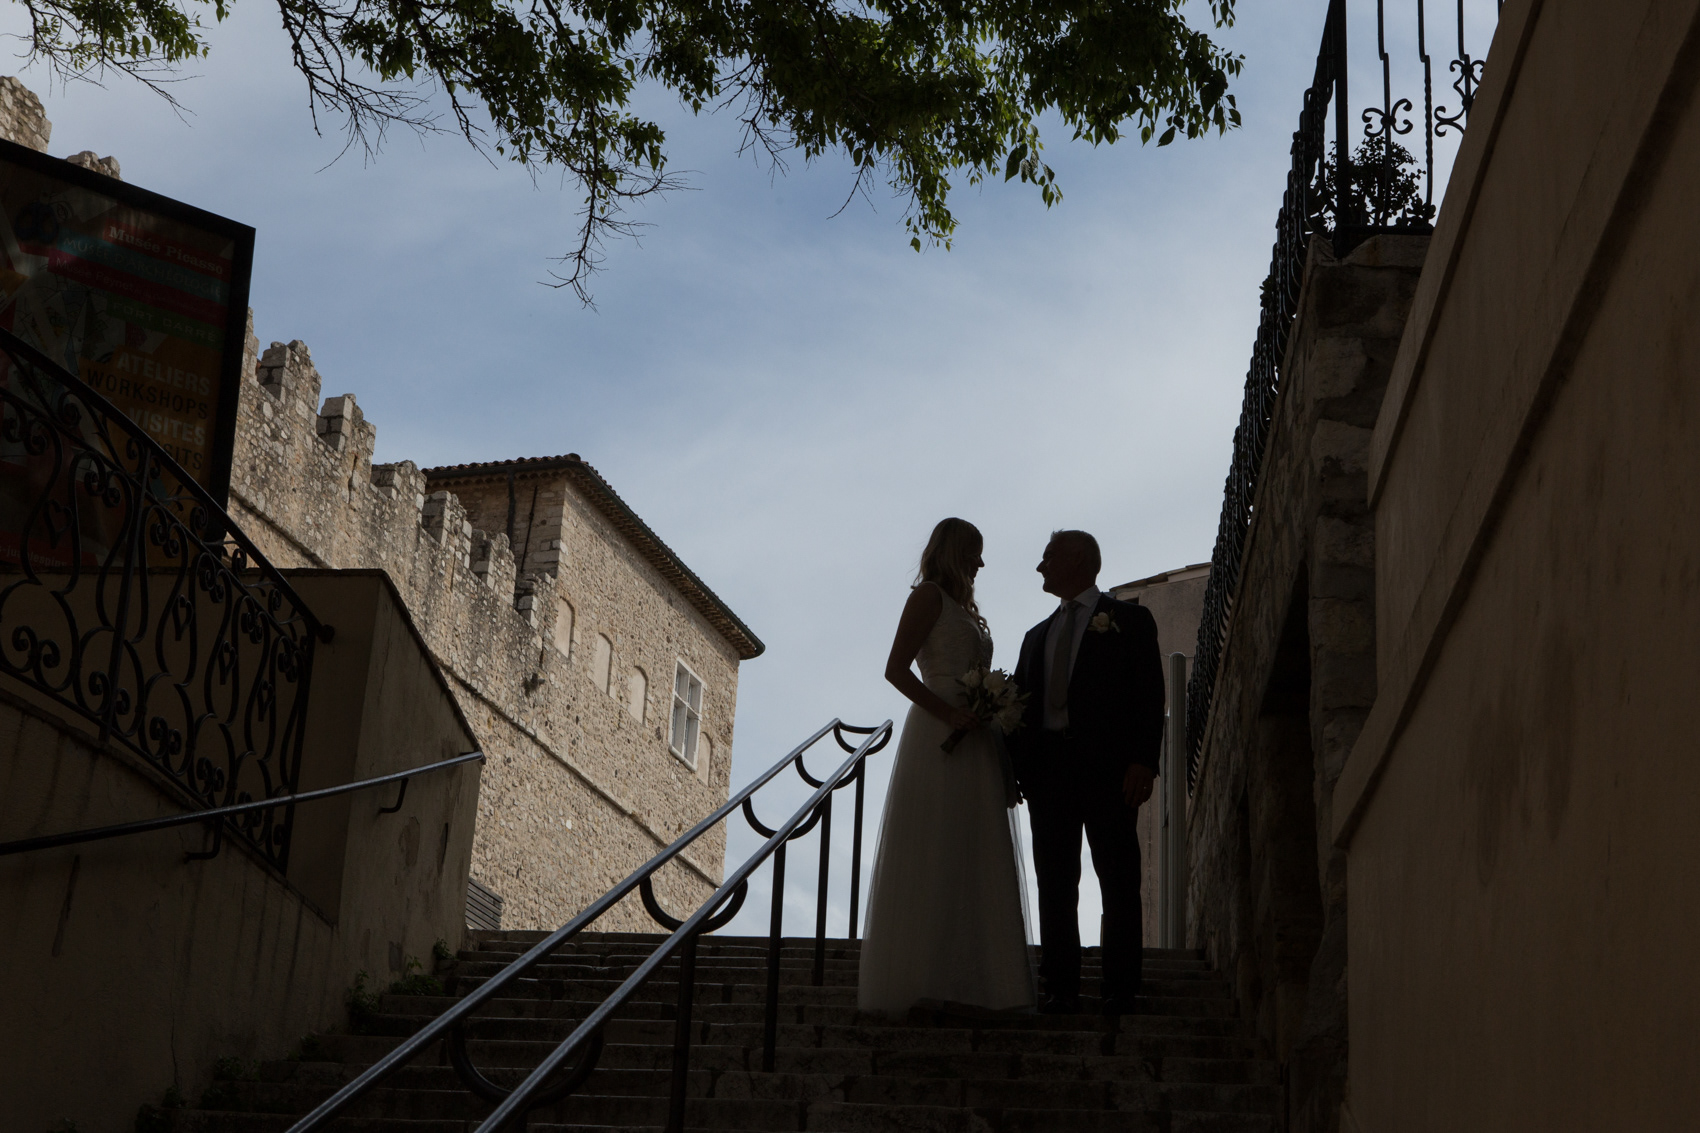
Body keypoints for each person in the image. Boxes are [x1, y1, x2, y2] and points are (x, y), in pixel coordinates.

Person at [857, 517, 1036, 1014]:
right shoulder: (928, 597)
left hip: (977, 735)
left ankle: (978, 983)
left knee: (975, 847)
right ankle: (923, 976)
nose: (981, 563)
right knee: (934, 845)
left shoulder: (965, 610)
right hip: (939, 730)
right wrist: (949, 712)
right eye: (975, 552)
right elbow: (896, 669)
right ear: (955, 552)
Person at [1010, 529, 1164, 1016]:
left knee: (1118, 877)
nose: (1040, 567)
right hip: (1048, 775)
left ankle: (1121, 987)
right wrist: (1017, 770)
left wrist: (1144, 760)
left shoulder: (1130, 620)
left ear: (1076, 560)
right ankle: (1059, 985)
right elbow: (1021, 708)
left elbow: (1149, 691)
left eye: (1048, 557)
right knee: (1055, 880)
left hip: (1110, 771)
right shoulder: (1035, 637)